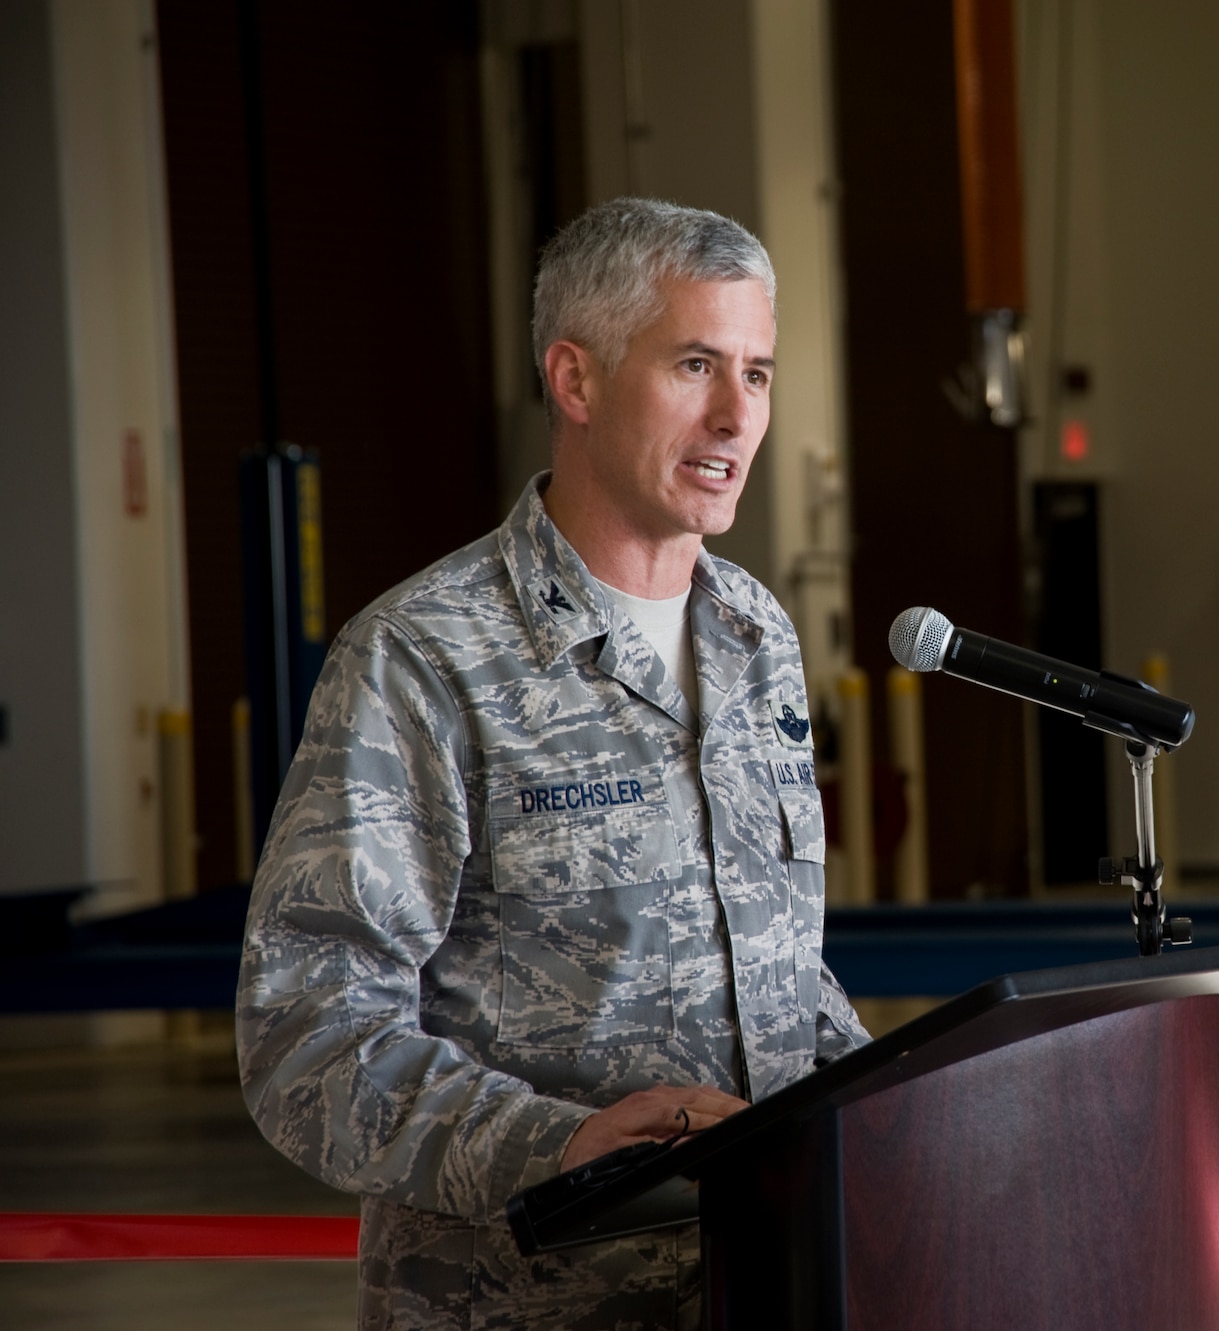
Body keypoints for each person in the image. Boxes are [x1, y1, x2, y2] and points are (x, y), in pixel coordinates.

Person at [236, 198, 868, 1329]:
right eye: (695, 364)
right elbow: (307, 1034)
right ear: (574, 382)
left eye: (759, 373)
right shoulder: (426, 656)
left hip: (766, 1286)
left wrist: (911, 1104)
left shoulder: (755, 636)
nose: (736, 414)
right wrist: (562, 1143)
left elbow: (778, 965)